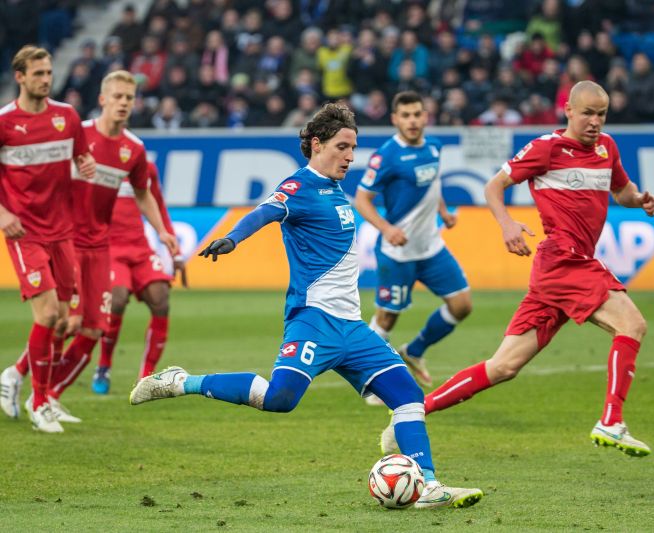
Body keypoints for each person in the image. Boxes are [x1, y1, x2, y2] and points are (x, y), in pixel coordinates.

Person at [129, 103, 483, 509]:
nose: (350, 156)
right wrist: (233, 238)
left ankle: (429, 487)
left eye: (353, 148)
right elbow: (266, 211)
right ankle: (182, 381)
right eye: (342, 146)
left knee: (407, 397)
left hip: (351, 326)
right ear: (317, 145)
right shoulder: (299, 187)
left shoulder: (334, 189)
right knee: (280, 399)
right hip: (313, 321)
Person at [381, 81, 654, 457]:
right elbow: (494, 186)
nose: (594, 121)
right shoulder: (547, 148)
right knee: (632, 324)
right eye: (588, 113)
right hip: (565, 260)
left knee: (503, 366)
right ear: (569, 111)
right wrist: (508, 224)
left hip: (557, 273)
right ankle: (611, 421)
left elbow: (621, 191)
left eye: (601, 114)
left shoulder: (607, 147)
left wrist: (640, 199)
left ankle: (411, 414)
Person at [2, 70, 179, 425]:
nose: (124, 103)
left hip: (99, 245)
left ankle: (44, 393)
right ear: (103, 99)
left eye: (129, 98)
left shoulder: (134, 149)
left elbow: (144, 192)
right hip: (64, 241)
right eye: (118, 97)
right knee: (65, 321)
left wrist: (161, 230)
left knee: (93, 329)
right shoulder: (73, 133)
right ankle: (27, 386)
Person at [0, 46, 96, 432]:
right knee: (50, 314)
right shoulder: (5, 122)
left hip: (63, 232)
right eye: (37, 73)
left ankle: (14, 376)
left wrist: (84, 164)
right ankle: (39, 402)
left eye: (48, 72)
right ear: (20, 77)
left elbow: (82, 159)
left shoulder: (67, 117)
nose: (45, 78)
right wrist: (3, 213)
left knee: (62, 324)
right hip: (25, 233)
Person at [354, 91, 471, 394]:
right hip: (398, 252)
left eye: (417, 114)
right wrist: (386, 227)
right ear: (394, 119)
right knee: (387, 317)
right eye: (405, 115)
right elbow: (361, 200)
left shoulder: (434, 146)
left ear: (425, 116)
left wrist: (444, 212)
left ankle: (415, 351)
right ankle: (368, 379)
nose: (412, 120)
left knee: (462, 305)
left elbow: (433, 184)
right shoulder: (387, 156)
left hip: (431, 247)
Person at [93, 160, 187, 394]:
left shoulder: (145, 167)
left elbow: (158, 205)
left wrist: (174, 250)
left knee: (161, 298)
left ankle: (146, 376)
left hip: (139, 248)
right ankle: (103, 366)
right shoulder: (95, 165)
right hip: (109, 247)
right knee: (117, 299)